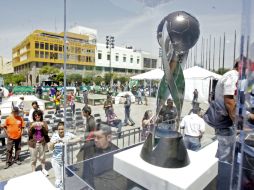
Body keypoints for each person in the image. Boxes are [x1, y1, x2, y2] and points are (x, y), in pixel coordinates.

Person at [214, 60, 239, 163]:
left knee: (223, 150)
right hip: (226, 121)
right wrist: (236, 122)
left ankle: (217, 171)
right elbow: (229, 101)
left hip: (224, 119)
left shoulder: (231, 75)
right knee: (226, 155)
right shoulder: (233, 76)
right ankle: (221, 176)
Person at [49, 122, 78, 189]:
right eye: (59, 129)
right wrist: (53, 143)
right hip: (55, 160)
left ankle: (61, 187)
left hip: (64, 160)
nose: (60, 131)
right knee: (58, 178)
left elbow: (78, 138)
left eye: (62, 129)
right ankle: (58, 187)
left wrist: (68, 141)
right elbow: (50, 148)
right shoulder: (55, 135)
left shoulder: (68, 134)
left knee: (63, 177)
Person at [27, 110, 49, 175]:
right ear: (34, 116)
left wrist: (43, 127)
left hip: (42, 142)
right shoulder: (31, 123)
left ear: (41, 116)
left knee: (42, 157)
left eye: (38, 115)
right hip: (33, 143)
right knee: (33, 158)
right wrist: (31, 127)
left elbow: (46, 133)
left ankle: (43, 169)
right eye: (35, 115)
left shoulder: (43, 122)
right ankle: (33, 171)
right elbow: (29, 134)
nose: (37, 116)